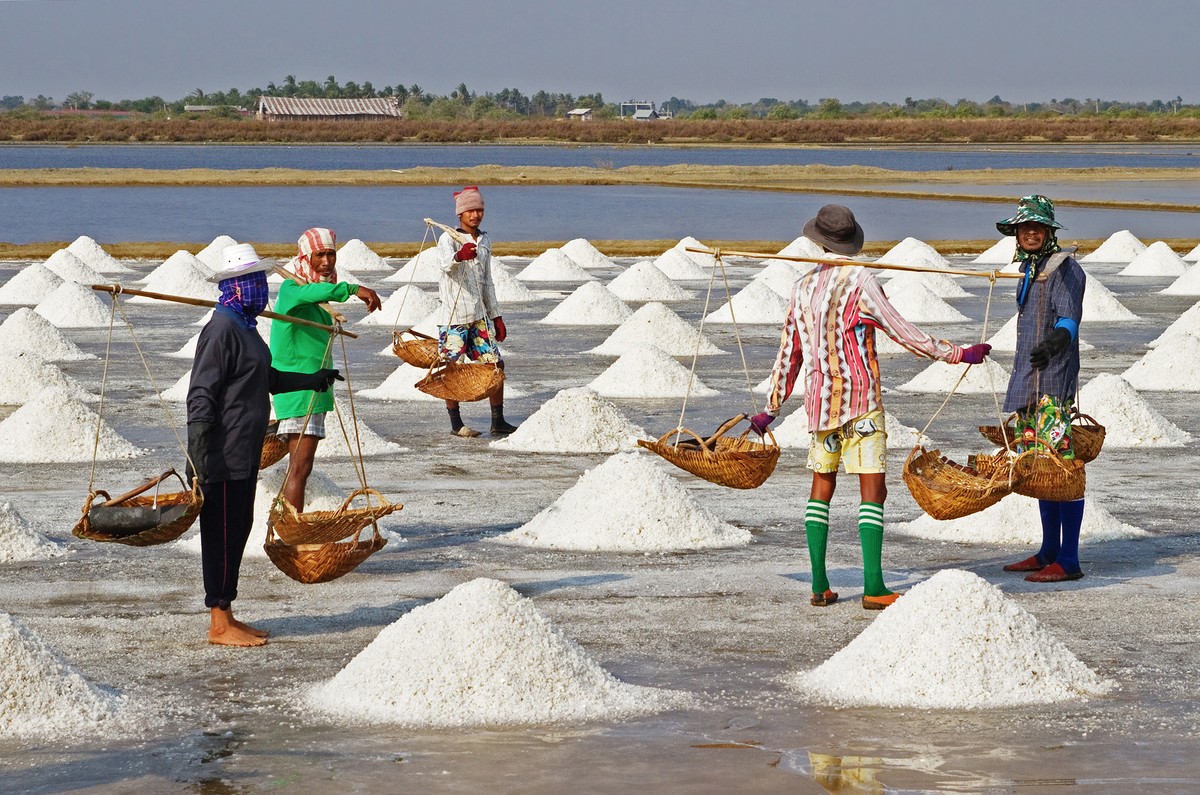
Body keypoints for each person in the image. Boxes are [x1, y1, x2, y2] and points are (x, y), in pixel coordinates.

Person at [751, 205, 992, 610]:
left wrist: (771, 407)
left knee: (821, 487)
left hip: (820, 404)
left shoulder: (801, 286)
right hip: (860, 403)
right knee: (872, 489)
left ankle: (819, 585)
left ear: (818, 240)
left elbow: (789, 353)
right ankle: (875, 586)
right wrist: (958, 353)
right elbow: (903, 331)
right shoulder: (860, 281)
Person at [187, 243, 342, 647]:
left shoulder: (245, 328)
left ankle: (228, 613)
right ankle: (218, 623)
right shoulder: (221, 329)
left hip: (244, 451)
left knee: (239, 527)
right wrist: (197, 454)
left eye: (261, 282)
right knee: (221, 533)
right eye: (254, 282)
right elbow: (201, 395)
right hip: (221, 452)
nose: (262, 290)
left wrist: (312, 379)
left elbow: (267, 379)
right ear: (235, 287)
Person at [994, 195, 1088, 583]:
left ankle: (1068, 560)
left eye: (1038, 227)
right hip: (1029, 380)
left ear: (1049, 232)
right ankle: (1048, 550)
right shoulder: (1030, 269)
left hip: (1052, 382)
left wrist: (1056, 342)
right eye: (1024, 227)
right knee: (1040, 467)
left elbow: (1069, 319)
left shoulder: (1063, 268)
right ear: (1017, 233)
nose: (1030, 233)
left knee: (1062, 468)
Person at [270, 228, 381, 511]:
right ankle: (289, 529)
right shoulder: (292, 290)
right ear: (306, 258)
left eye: (331, 253)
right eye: (320, 254)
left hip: (312, 389)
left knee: (300, 467)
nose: (327, 260)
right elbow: (313, 291)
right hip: (299, 392)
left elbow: (319, 291)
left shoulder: (314, 294)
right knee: (300, 468)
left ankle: (286, 522)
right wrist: (354, 289)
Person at [434, 186, 518, 437]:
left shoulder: (485, 239)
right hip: (454, 318)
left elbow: (487, 280)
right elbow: (444, 266)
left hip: (479, 316)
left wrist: (497, 316)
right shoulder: (448, 239)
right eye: (470, 210)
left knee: (495, 365)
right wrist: (459, 256)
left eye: (479, 210)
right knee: (451, 367)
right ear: (460, 214)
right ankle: (456, 424)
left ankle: (498, 420)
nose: (475, 215)